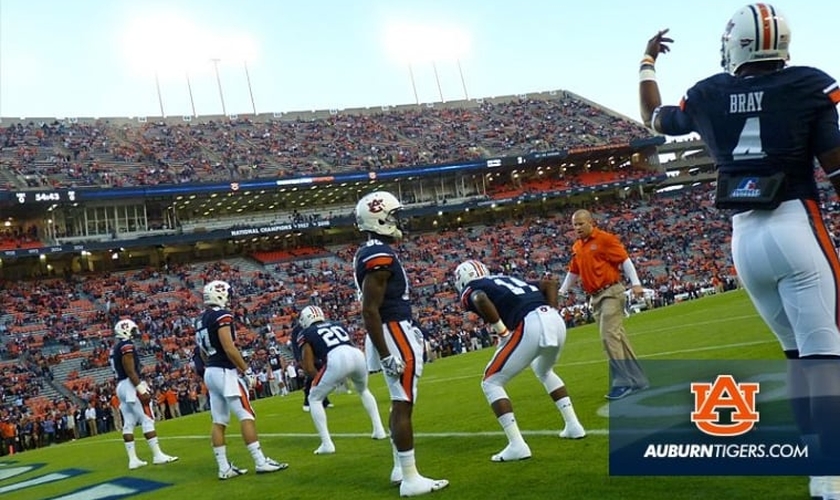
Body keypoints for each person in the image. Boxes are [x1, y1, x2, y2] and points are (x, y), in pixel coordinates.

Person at [638, 5, 840, 499]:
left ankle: (820, 470)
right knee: (826, 357)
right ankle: (830, 480)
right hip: (797, 223)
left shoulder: (707, 92)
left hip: (745, 241)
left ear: (736, 44)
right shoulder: (809, 84)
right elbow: (835, 168)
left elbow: (653, 118)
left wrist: (647, 61)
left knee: (796, 358)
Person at [353, 190, 449, 497]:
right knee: (403, 403)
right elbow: (370, 309)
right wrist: (385, 353)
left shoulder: (373, 250)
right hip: (392, 330)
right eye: (393, 215)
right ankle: (410, 478)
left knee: (400, 401)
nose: (397, 221)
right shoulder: (377, 255)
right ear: (378, 218)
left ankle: (400, 468)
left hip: (392, 329)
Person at [454, 259, 586, 462]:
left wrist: (503, 332)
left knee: (491, 382)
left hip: (530, 322)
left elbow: (479, 298)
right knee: (544, 371)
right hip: (554, 320)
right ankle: (574, 426)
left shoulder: (473, 287)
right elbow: (549, 284)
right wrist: (552, 310)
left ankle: (517, 445)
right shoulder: (505, 277)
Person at [195, 280, 287, 480]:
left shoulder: (200, 320)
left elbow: (202, 353)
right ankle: (260, 461)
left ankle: (223, 468)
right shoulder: (222, 315)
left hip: (210, 370)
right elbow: (229, 347)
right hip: (225, 371)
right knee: (246, 414)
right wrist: (247, 371)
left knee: (219, 420)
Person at [558, 209, 649, 400]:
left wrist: (636, 283)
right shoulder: (577, 247)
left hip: (611, 292)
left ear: (592, 222)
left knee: (609, 336)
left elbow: (625, 260)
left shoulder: (605, 239)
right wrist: (562, 291)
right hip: (595, 297)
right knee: (618, 338)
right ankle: (638, 380)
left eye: (581, 223)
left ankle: (623, 382)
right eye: (575, 224)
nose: (577, 227)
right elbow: (573, 271)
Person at [296, 305, 388, 454]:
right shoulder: (336, 324)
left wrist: (327, 380)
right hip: (356, 354)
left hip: (335, 358)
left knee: (314, 398)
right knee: (364, 390)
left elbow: (308, 366)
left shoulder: (306, 333)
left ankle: (327, 444)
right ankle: (379, 430)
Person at [109, 318, 178, 470]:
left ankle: (133, 459)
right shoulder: (126, 345)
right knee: (147, 418)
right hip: (129, 383)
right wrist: (140, 388)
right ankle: (157, 455)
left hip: (121, 384)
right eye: (132, 330)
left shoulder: (116, 347)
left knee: (129, 423)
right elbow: (130, 370)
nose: (134, 332)